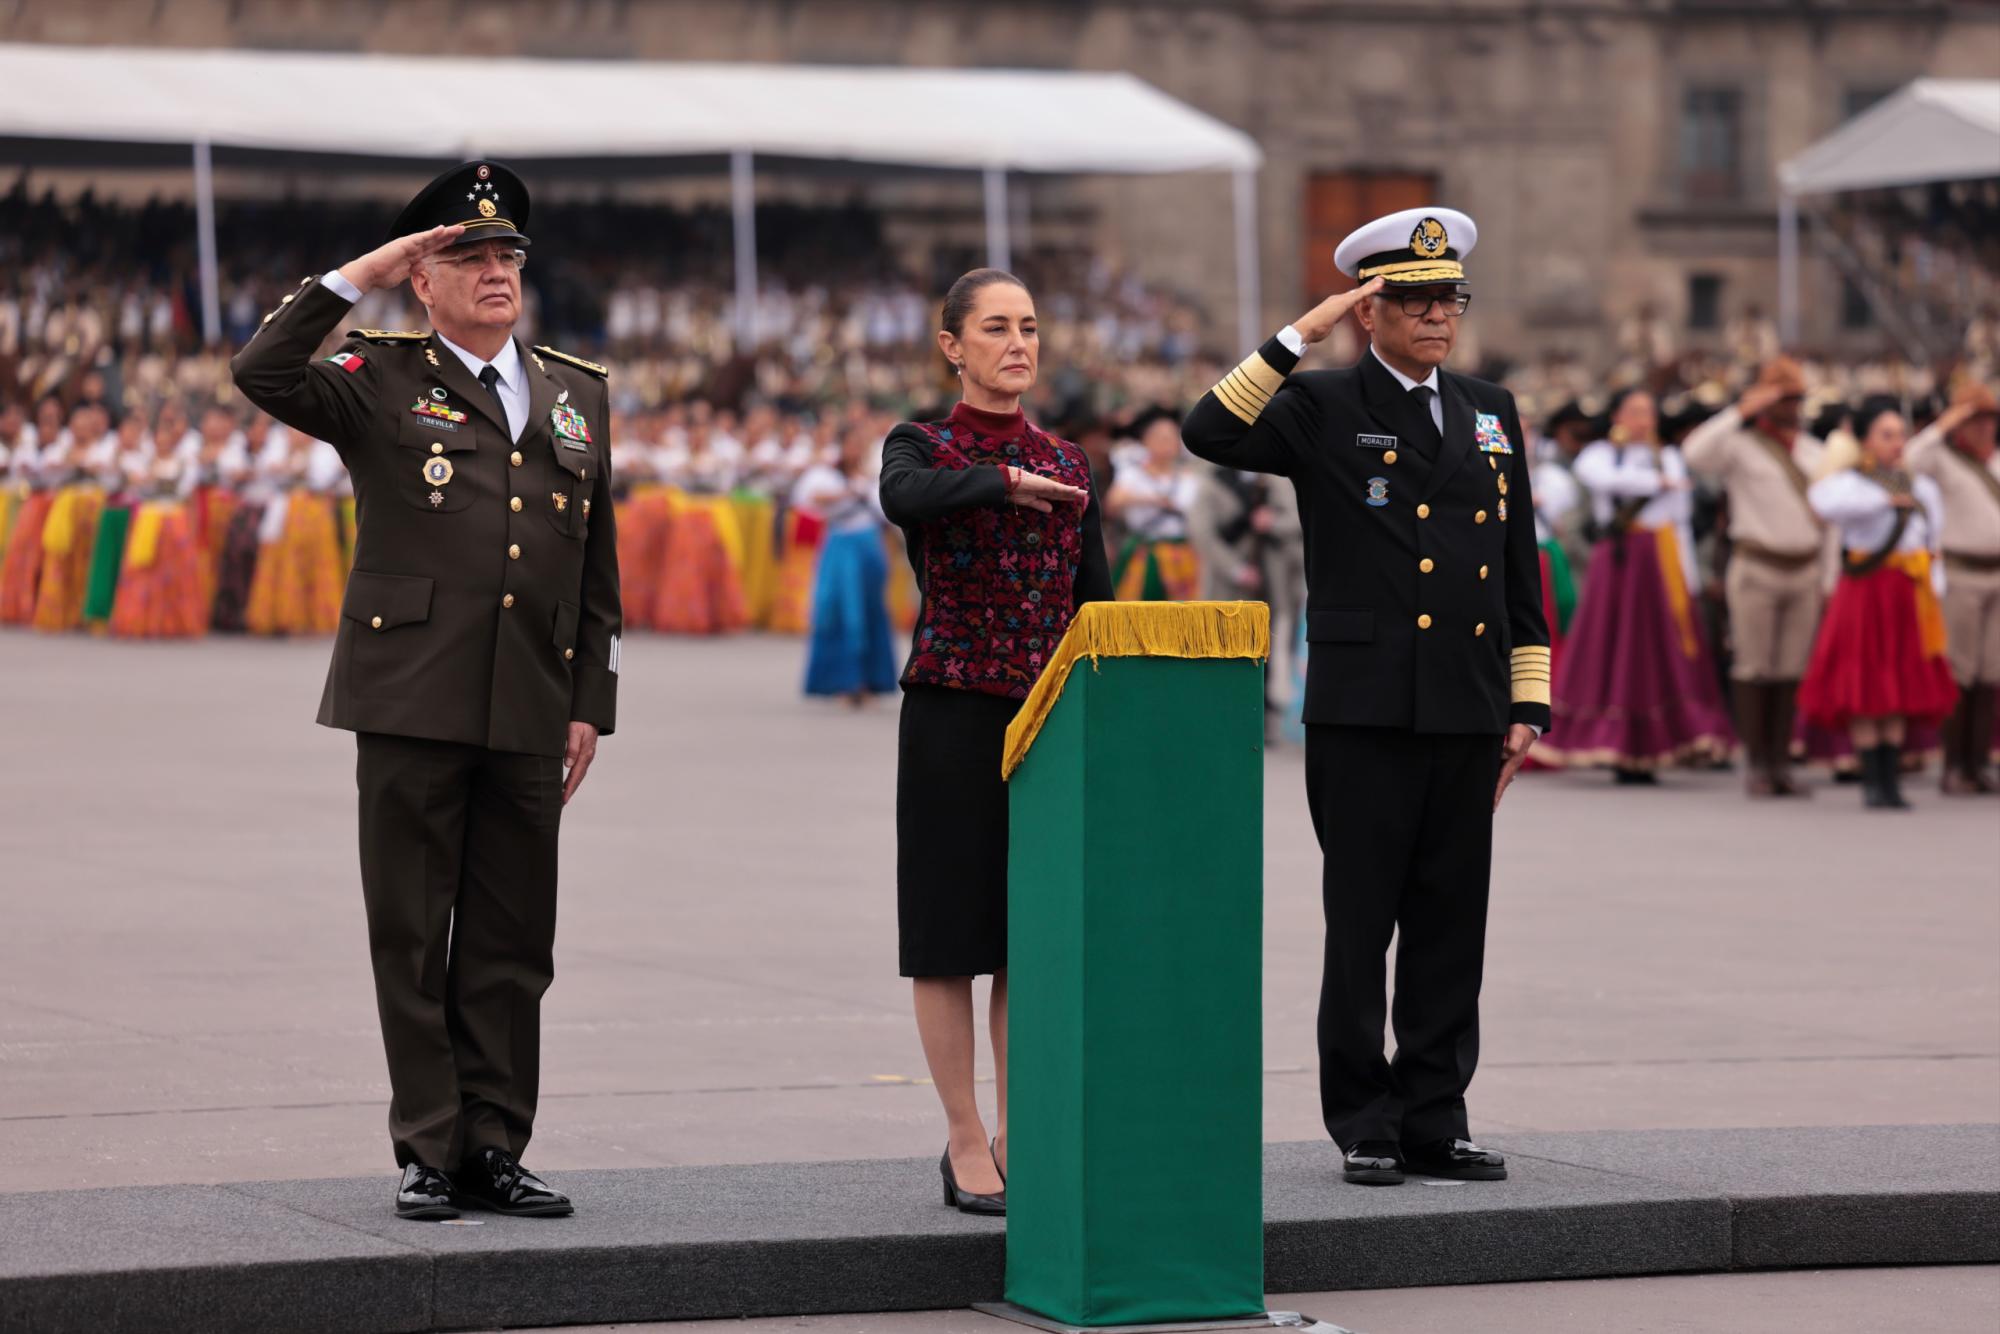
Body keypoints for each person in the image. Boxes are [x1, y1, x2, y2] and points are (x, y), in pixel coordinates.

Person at [231, 161, 621, 1220]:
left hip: (533, 700)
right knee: (412, 930)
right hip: (409, 692)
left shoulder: (576, 391)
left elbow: (595, 566)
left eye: (507, 257)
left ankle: (497, 1142)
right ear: (424, 281)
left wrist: (591, 697)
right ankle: (429, 1143)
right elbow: (261, 370)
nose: (496, 272)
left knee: (510, 939)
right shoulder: (376, 374)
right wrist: (360, 273)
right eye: (468, 257)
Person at [1181, 207, 1547, 1188]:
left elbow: (1518, 565)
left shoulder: (1485, 407)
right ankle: (1364, 1119)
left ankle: (1435, 1112)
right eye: (1412, 299)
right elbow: (1206, 427)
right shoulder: (1322, 404)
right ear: (1367, 308)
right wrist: (1299, 332)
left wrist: (1526, 703)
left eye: (1447, 298)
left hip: (1466, 705)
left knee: (1448, 920)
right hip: (1363, 706)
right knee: (1361, 924)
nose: (1436, 316)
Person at [878, 267, 1111, 1216]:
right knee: (947, 939)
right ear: (953, 346)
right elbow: (908, 499)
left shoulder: (1071, 459)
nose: (1018, 344)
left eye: (1028, 327)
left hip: (1046, 717)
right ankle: (964, 1135)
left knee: (1029, 941)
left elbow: (1093, 603)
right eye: (996, 328)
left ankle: (1024, 1129)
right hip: (952, 709)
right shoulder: (920, 443)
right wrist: (1002, 482)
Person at [1545, 388, 1735, 780]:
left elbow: (1677, 519)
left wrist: (1686, 577)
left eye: (1647, 412)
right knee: (1611, 649)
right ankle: (1610, 742)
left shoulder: (1666, 456)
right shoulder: (1601, 455)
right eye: (1632, 411)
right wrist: (1657, 483)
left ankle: (1654, 746)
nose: (1641, 420)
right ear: (1616, 416)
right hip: (1617, 560)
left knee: (1654, 653)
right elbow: (1602, 479)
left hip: (1657, 559)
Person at [1798, 399, 1956, 809]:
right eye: (1886, 436)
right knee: (1866, 679)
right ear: (1866, 441)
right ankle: (1872, 777)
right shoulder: (1854, 482)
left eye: (1900, 435)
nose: (1897, 444)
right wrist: (1884, 501)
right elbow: (1824, 503)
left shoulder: (1919, 486)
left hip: (1907, 590)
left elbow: (1931, 540)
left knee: (1901, 681)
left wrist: (1934, 587)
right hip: (1867, 590)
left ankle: (1891, 777)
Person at [1682, 357, 1829, 796]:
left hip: (1804, 568)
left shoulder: (1812, 451)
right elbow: (1694, 453)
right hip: (1757, 566)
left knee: (1790, 670)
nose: (1792, 406)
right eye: (1784, 398)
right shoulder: (1740, 443)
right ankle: (1757, 764)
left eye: (1797, 398)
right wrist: (1742, 410)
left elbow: (1831, 521)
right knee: (1754, 666)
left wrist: (1829, 578)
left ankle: (1781, 762)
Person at [1906, 380, 2000, 793]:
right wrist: (1948, 422)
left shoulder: (1996, 462)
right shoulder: (1944, 460)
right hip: (1961, 573)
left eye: (1989, 419)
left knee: (1990, 673)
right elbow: (1908, 460)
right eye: (1976, 421)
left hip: (1997, 573)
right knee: (1961, 671)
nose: (1985, 429)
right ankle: (1953, 765)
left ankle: (1978, 762)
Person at [798, 420, 898, 704]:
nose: (855, 449)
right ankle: (843, 680)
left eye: (859, 444)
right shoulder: (826, 474)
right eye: (850, 444)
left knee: (870, 609)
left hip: (868, 543)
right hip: (841, 544)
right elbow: (808, 498)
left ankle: (870, 680)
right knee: (840, 608)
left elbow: (887, 509)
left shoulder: (872, 475)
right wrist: (845, 493)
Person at [1106, 406, 1201, 600]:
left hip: (1182, 553)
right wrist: (1151, 500)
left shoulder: (1189, 478)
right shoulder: (1133, 474)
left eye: (1172, 437)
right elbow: (1112, 503)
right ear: (1146, 441)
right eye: (1160, 437)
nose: (1167, 443)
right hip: (1146, 551)